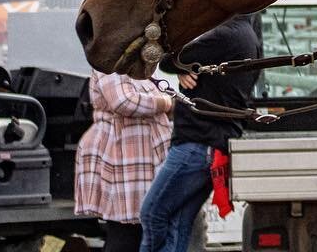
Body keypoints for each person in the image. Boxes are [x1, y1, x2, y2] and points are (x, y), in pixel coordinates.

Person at [140, 14, 260, 252]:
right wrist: (185, 66)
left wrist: (180, 64)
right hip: (212, 146)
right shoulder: (249, 36)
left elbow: (165, 60)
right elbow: (184, 60)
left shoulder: (225, 34)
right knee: (178, 222)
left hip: (196, 144)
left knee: (152, 213)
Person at [75, 71, 174, 252]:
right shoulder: (109, 65)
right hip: (122, 154)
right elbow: (123, 101)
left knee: (136, 229)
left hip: (137, 155)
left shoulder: (137, 67)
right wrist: (165, 102)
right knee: (126, 229)